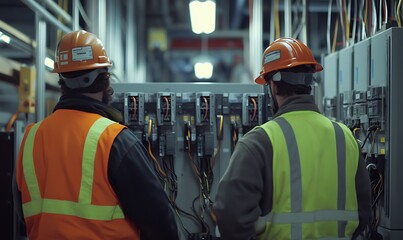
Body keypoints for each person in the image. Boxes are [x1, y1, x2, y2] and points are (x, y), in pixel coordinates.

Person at [12, 30, 179, 240]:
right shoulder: (115, 140)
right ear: (105, 80)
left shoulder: (31, 139)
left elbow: (21, 217)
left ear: (62, 80)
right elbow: (161, 223)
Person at [214, 38, 371, 240]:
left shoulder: (260, 142)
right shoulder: (345, 137)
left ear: (273, 86)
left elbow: (230, 217)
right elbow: (364, 212)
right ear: (309, 83)